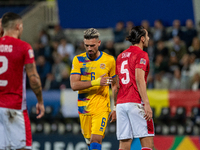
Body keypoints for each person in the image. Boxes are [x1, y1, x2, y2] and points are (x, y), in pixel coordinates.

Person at [0, 12, 45, 150]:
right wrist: (40, 101)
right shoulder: (23, 47)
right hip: (14, 106)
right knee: (23, 147)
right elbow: (33, 78)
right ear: (18, 26)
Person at [70, 28, 117, 150]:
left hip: (102, 107)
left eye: (92, 45)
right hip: (84, 107)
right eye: (87, 45)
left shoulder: (109, 60)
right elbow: (74, 85)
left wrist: (116, 107)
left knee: (96, 139)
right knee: (90, 143)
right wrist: (96, 82)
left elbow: (115, 85)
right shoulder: (78, 60)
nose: (89, 48)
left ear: (99, 43)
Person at [115, 26, 154, 150]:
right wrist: (146, 104)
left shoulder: (120, 56)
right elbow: (139, 79)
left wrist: (115, 107)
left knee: (124, 145)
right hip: (135, 102)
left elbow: (115, 85)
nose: (148, 38)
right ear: (142, 39)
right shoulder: (142, 54)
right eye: (147, 36)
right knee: (147, 143)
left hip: (121, 104)